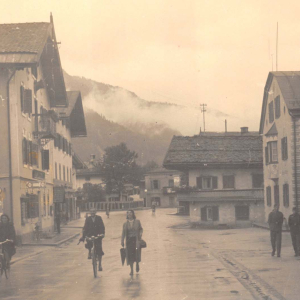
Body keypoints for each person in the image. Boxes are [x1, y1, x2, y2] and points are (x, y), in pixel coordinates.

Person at [121, 210, 143, 275]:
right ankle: (131, 270)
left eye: (130, 213)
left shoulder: (137, 221)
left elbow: (141, 229)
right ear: (127, 215)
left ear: (133, 214)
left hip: (136, 240)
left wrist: (140, 235)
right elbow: (123, 233)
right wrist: (122, 240)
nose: (129, 214)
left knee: (137, 253)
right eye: (128, 213)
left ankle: (137, 264)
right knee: (130, 255)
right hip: (129, 241)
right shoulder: (125, 224)